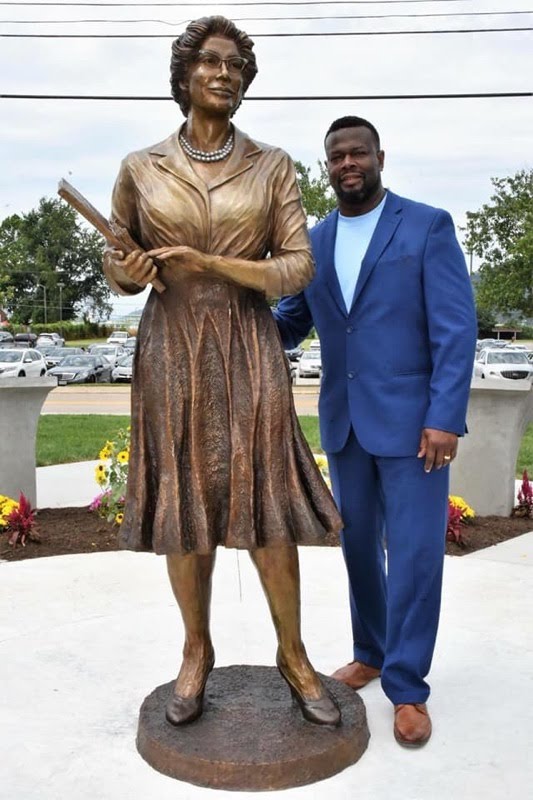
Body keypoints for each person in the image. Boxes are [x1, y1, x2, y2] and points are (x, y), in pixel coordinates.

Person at [102, 16, 342, 727]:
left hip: (247, 344)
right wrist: (125, 269)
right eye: (211, 61)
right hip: (171, 348)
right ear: (183, 76)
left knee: (265, 499)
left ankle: (293, 655)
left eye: (237, 64)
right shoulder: (140, 167)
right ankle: (195, 652)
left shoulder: (272, 165)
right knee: (186, 503)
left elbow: (298, 265)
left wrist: (211, 264)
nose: (225, 72)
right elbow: (117, 263)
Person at [274, 115, 477, 746]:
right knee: (359, 549)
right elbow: (287, 324)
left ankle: (409, 688)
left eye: (358, 152)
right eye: (336, 156)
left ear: (379, 156)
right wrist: (227, 298)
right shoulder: (314, 241)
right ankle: (371, 651)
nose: (347, 164)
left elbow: (455, 329)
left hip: (417, 428)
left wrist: (444, 416)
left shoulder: (426, 225)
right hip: (347, 426)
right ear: (327, 165)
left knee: (415, 555)